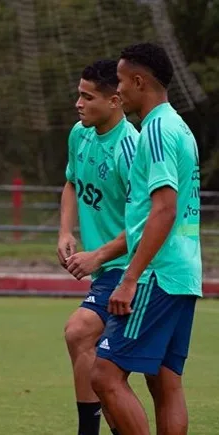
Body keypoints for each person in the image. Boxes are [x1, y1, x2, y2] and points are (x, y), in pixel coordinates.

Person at [90, 43, 202, 435]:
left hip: (157, 273)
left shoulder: (155, 130)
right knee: (165, 381)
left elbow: (165, 208)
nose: (117, 91)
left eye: (121, 82)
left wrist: (130, 276)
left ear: (139, 82)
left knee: (104, 374)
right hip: (183, 273)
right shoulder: (179, 126)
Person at [57, 59, 139, 435]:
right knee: (103, 366)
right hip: (105, 269)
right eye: (78, 94)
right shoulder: (80, 134)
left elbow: (146, 224)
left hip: (133, 267)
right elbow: (72, 182)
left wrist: (98, 255)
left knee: (79, 333)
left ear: (115, 101)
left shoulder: (132, 150)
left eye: (87, 97)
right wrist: (65, 232)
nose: (78, 103)